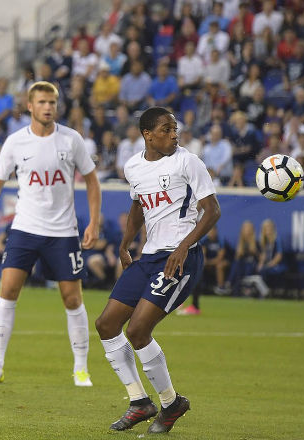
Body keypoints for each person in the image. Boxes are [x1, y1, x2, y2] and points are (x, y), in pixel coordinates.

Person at [94, 107, 220, 433]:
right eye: (167, 129)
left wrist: (182, 247)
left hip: (182, 257)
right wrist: (124, 244)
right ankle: (139, 402)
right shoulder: (133, 167)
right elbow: (137, 206)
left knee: (137, 330)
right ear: (147, 134)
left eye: (175, 129)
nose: (174, 134)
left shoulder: (187, 162)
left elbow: (212, 211)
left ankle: (170, 402)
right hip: (149, 257)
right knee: (107, 324)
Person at [0, 81, 102, 386]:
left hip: (63, 232)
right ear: (29, 106)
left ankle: (81, 368)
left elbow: (92, 181)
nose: (48, 107)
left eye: (52, 102)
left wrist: (93, 222)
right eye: (42, 102)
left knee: (71, 298)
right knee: (8, 290)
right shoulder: (15, 143)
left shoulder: (72, 140)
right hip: (25, 228)